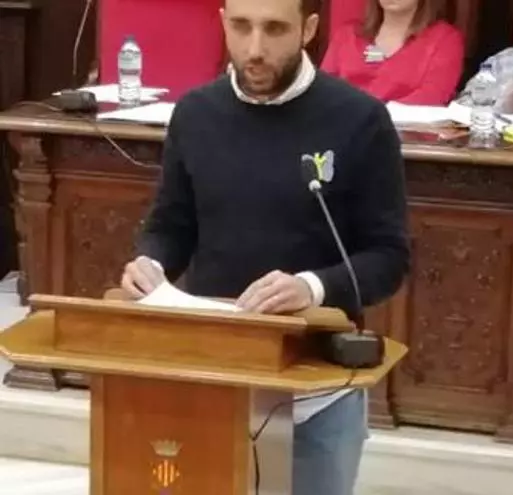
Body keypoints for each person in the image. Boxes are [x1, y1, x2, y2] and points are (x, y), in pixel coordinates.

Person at [119, 0, 410, 494]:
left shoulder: (360, 119)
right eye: (241, 27)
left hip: (317, 387)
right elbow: (172, 224)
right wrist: (150, 262)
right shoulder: (196, 114)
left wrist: (311, 287)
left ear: (308, 29)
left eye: (274, 29)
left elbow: (388, 257)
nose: (254, 49)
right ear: (222, 22)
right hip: (214, 375)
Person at [321, 0, 464, 105]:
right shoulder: (347, 35)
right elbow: (323, 88)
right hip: (343, 127)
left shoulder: (445, 39)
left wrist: (376, 115)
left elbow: (433, 96)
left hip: (405, 132)